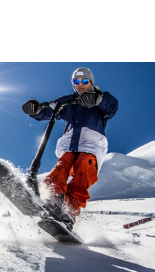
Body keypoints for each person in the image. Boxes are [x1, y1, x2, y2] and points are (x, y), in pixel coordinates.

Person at [22, 67, 118, 230]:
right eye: (76, 82)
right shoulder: (68, 101)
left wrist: (97, 99)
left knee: (83, 169)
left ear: (91, 83)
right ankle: (53, 199)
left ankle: (70, 212)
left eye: (85, 81)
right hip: (69, 146)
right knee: (62, 167)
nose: (80, 85)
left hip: (92, 146)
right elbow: (50, 108)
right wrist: (37, 110)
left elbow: (111, 106)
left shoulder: (100, 99)